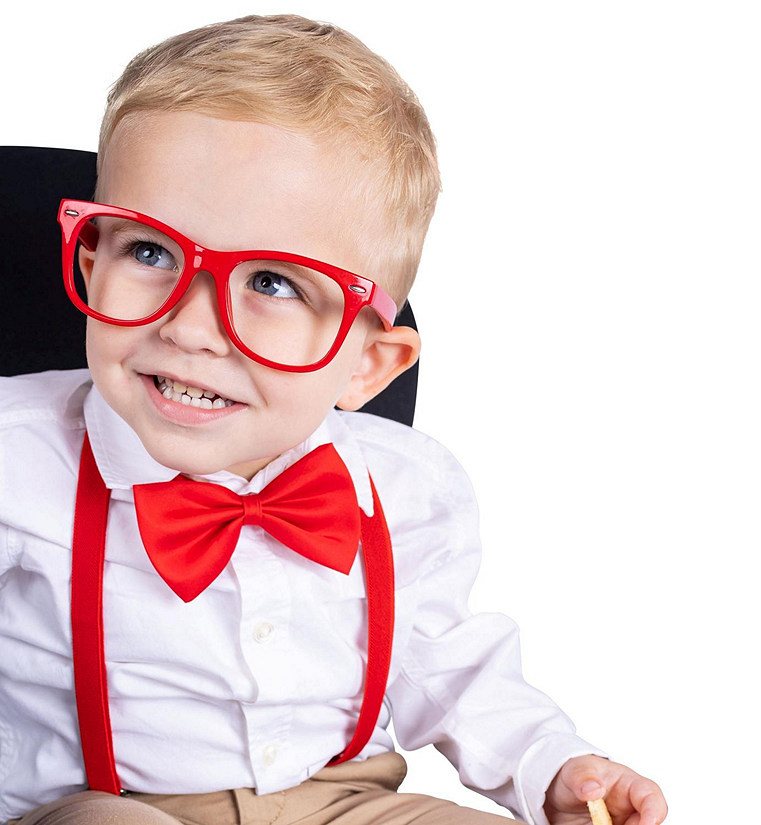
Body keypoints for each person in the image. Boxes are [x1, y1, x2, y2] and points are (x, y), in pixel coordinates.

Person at [0, 14, 667, 825]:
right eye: (150, 252)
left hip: (343, 800)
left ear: (367, 366)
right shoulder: (16, 454)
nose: (190, 325)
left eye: (274, 284)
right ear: (90, 257)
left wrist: (551, 766)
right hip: (103, 804)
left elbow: (444, 666)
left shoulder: (407, 485)